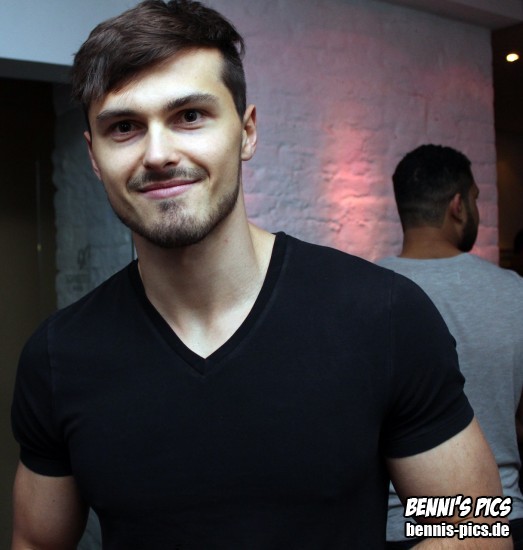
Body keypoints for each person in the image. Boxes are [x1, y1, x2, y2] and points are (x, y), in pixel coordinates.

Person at [10, 2, 510, 548]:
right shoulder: (59, 357)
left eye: (190, 116)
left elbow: (475, 527)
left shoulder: (383, 314)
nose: (158, 154)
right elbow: (36, 542)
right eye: (124, 127)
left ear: (247, 132)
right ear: (94, 156)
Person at [378, 144, 523, 549]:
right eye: (475, 199)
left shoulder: (362, 293)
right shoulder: (515, 293)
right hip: (497, 520)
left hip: (400, 526)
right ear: (458, 206)